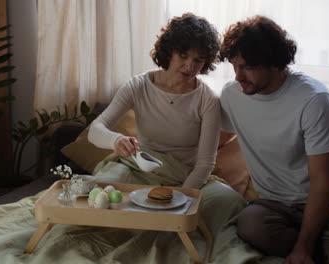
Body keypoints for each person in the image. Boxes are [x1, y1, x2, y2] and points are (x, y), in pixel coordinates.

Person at [88, 12, 246, 242]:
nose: (189, 66)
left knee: (229, 200)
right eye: (183, 55)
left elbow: (205, 163)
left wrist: (179, 197)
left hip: (186, 178)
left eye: (198, 60)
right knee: (104, 186)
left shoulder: (207, 99)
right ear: (168, 51)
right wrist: (115, 140)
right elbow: (96, 129)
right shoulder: (138, 86)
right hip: (140, 170)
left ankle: (158, 226)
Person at [219, 15, 329, 264]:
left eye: (248, 67)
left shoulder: (314, 100)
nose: (238, 75)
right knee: (249, 227)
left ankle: (315, 244)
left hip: (327, 203)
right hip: (273, 205)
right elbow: (213, 139)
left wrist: (303, 248)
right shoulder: (232, 95)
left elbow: (322, 182)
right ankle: (318, 248)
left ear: (274, 62)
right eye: (234, 65)